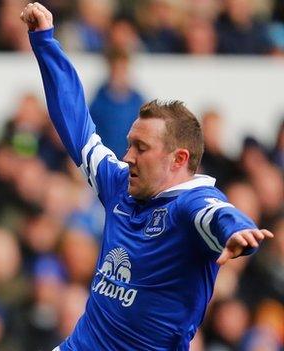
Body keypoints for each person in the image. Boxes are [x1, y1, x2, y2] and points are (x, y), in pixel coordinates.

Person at [20, 3, 274, 350]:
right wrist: (46, 42)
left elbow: (217, 214)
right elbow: (76, 124)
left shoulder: (190, 205)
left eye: (141, 147)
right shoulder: (119, 184)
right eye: (129, 145)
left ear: (178, 159)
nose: (128, 156)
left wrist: (237, 230)